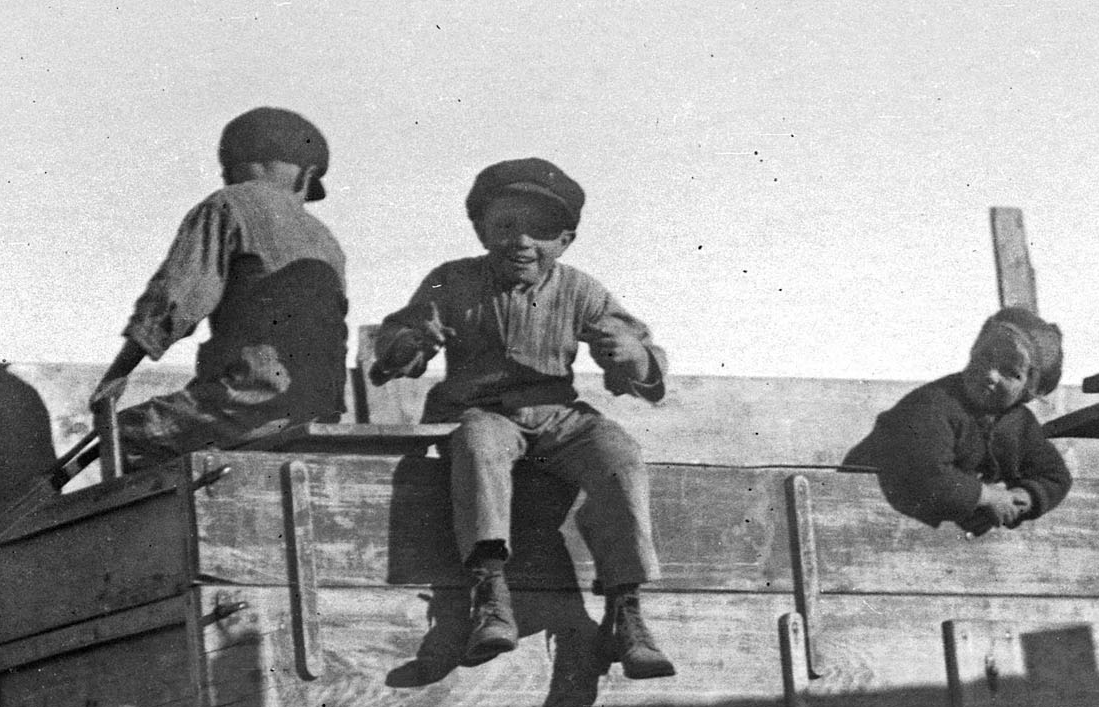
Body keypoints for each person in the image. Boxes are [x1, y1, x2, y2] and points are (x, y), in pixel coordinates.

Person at [367, 158, 675, 676]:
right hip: (483, 413)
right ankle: (490, 594)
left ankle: (626, 611)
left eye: (541, 231)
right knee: (478, 444)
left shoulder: (581, 290)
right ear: (481, 230)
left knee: (619, 453)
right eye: (506, 226)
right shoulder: (452, 281)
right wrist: (409, 344)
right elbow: (395, 347)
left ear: (566, 240)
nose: (522, 242)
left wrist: (635, 358)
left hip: (558, 417)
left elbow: (644, 355)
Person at [94, 107, 351, 465]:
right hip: (320, 410)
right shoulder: (326, 239)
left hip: (245, 406)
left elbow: (175, 301)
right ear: (305, 176)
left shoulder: (226, 206)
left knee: (122, 435)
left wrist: (117, 374)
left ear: (228, 167)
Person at [860, 308, 1074, 534]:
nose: (990, 374)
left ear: (1028, 391)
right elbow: (926, 473)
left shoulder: (1020, 423)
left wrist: (1022, 497)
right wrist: (987, 496)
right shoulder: (932, 405)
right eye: (985, 357)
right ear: (974, 350)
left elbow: (1055, 475)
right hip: (870, 511)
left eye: (1011, 372)